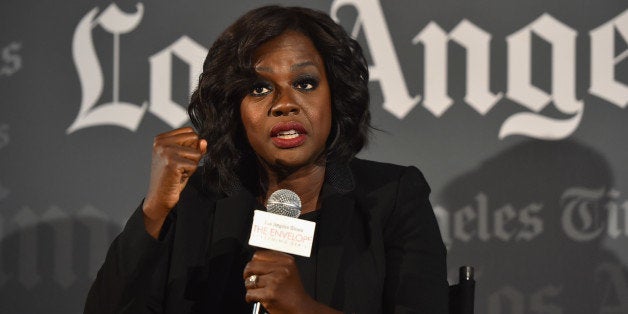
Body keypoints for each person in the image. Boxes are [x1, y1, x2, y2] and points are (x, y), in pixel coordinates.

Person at [84, 5, 448, 314]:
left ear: (335, 98)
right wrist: (156, 210)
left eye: (305, 83)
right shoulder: (197, 200)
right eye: (259, 88)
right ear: (234, 110)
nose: (285, 103)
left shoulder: (393, 198)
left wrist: (303, 309)